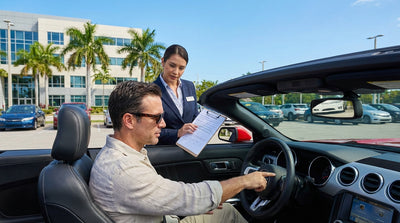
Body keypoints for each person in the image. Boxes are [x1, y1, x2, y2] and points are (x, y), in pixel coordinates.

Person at [89, 81, 276, 223]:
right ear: (129, 120)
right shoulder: (123, 170)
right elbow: (187, 196)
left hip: (164, 218)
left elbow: (163, 195)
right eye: (156, 117)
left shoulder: (122, 155)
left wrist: (196, 205)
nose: (162, 123)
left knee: (224, 210)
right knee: (227, 213)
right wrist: (244, 181)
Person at [153, 44, 199, 145]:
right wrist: (177, 133)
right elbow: (149, 130)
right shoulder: (151, 90)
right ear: (163, 61)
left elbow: (195, 117)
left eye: (181, 68)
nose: (176, 72)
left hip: (190, 148)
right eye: (172, 65)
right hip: (164, 152)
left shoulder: (189, 86)